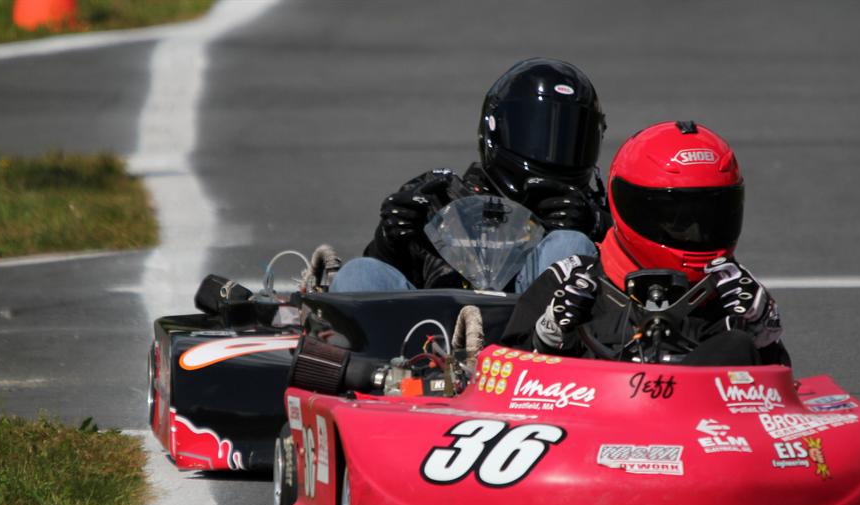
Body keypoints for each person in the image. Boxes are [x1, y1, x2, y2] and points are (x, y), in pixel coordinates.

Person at [500, 120, 788, 366]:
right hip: (593, 409)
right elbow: (503, 378)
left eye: (709, 217)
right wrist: (547, 338)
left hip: (694, 412)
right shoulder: (569, 280)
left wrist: (762, 338)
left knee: (737, 344)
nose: (695, 231)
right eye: (676, 219)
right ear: (633, 207)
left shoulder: (732, 292)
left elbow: (779, 393)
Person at [329, 57, 611, 294]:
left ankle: (548, 338)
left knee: (569, 245)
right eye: (536, 133)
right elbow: (382, 274)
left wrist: (598, 226)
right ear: (495, 129)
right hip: (435, 325)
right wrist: (390, 242)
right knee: (357, 274)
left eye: (569, 137)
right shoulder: (438, 196)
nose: (553, 152)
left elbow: (631, 278)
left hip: (535, 329)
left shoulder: (592, 211)